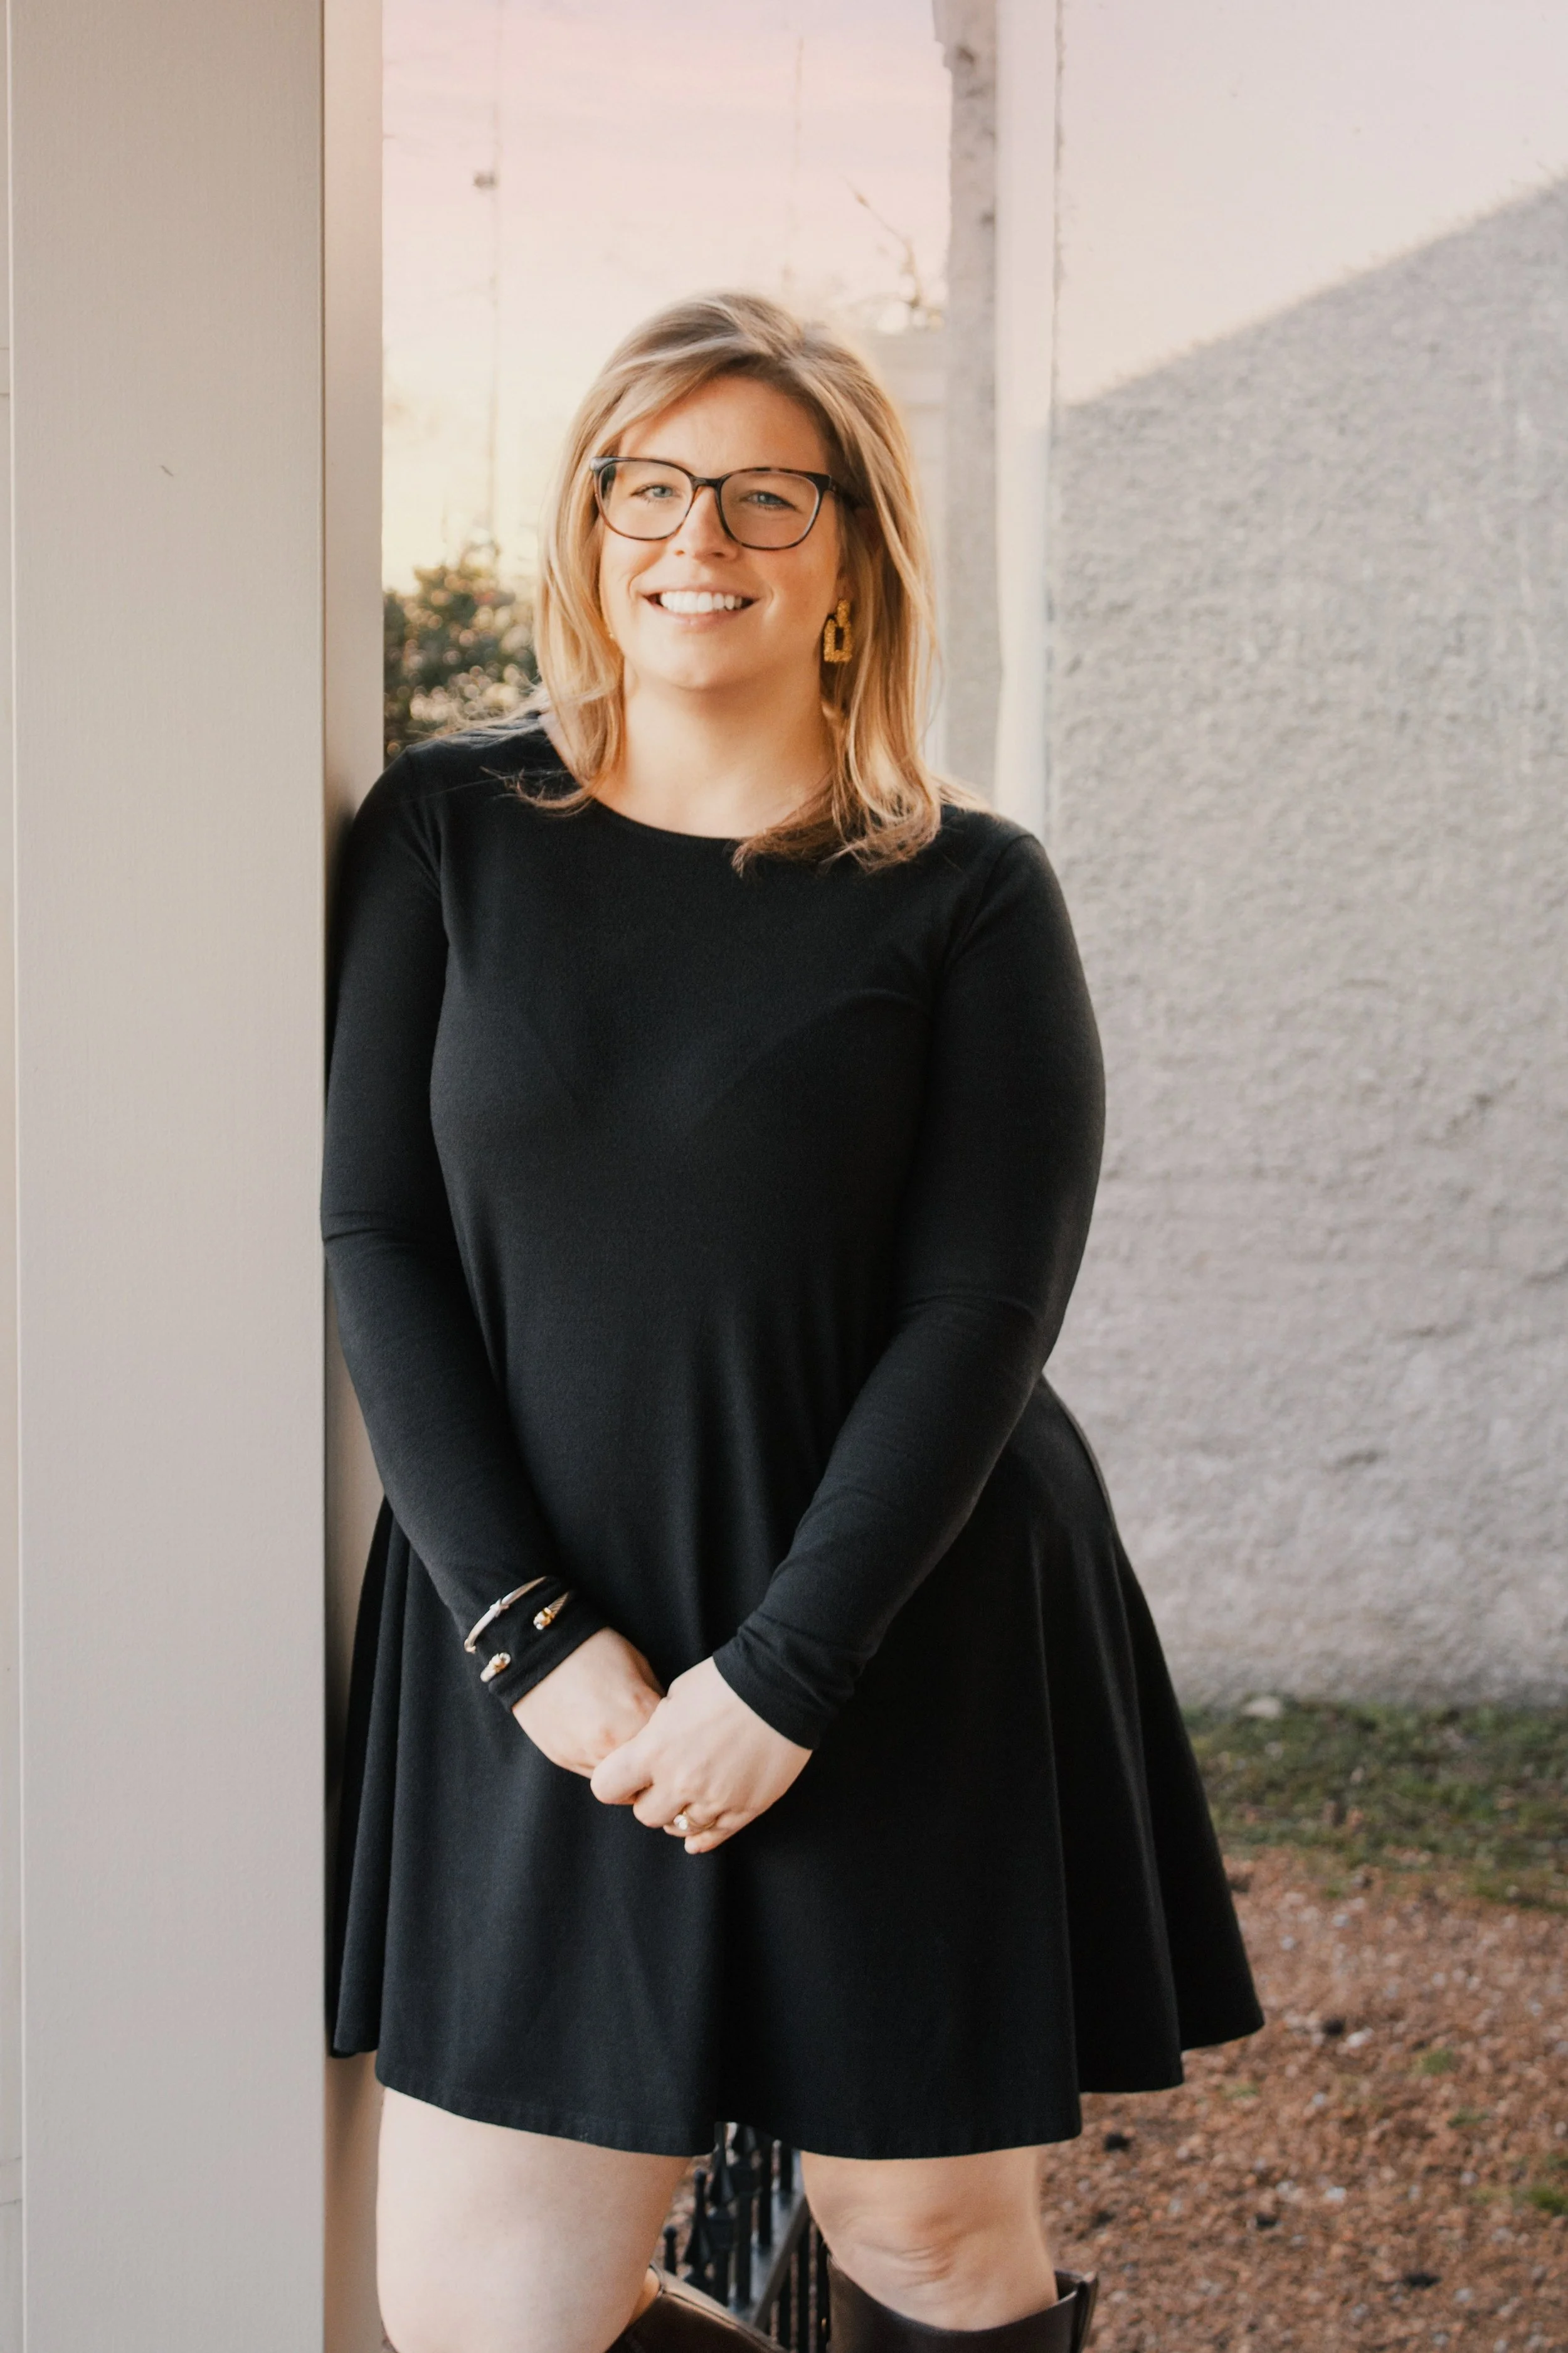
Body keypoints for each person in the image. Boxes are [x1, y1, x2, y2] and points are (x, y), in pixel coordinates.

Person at [326, 291, 1261, 2353]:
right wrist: (526, 1633)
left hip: (893, 1612)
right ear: (588, 518)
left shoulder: (966, 890)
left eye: (766, 496)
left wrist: (790, 1669)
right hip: (547, 1643)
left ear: (850, 556)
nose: (699, 538)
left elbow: (981, 1304)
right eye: (649, 485)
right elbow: (377, 1234)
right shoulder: (446, 833)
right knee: (488, 2309)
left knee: (917, 2230)